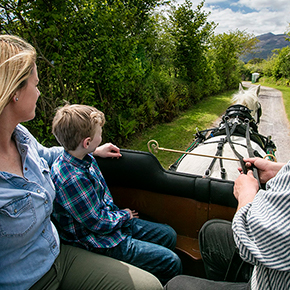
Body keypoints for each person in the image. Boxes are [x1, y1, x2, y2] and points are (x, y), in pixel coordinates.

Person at [0, 34, 163, 290]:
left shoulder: (21, 137)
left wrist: (88, 151)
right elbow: (96, 220)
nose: (40, 91)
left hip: (58, 255)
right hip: (28, 281)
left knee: (149, 286)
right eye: (35, 84)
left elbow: (49, 155)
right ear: (14, 93)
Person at [50, 104, 182, 286]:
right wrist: (125, 215)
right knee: (171, 261)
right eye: (100, 133)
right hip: (98, 241)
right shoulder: (72, 179)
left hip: (111, 224)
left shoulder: (84, 157)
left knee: (169, 235)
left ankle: (147, 268)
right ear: (87, 142)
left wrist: (96, 151)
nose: (102, 136)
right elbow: (98, 223)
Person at [165, 157, 290, 289]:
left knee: (175, 285)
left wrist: (245, 194)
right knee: (211, 231)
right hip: (268, 271)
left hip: (272, 283)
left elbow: (254, 241)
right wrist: (276, 170)